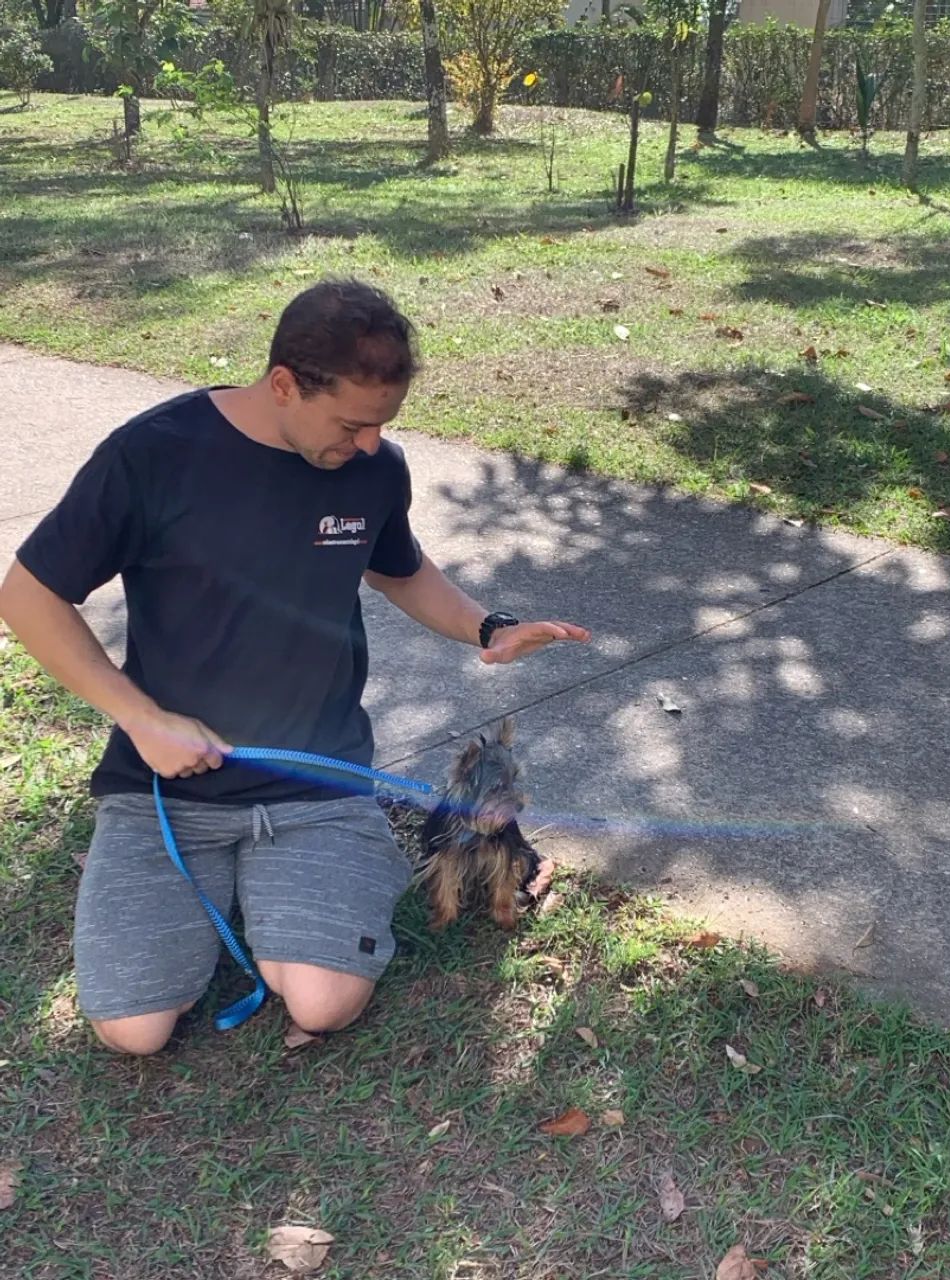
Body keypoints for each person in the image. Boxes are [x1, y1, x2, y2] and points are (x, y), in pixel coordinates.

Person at [0, 278, 590, 1057]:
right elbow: (27, 595)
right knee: (133, 1031)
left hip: (319, 782)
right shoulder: (153, 456)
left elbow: (399, 569)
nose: (370, 444)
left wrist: (487, 626)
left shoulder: (374, 468)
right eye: (352, 423)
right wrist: (141, 716)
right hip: (166, 794)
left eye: (383, 425)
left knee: (321, 1003)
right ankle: (228, 889)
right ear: (283, 384)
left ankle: (294, 888)